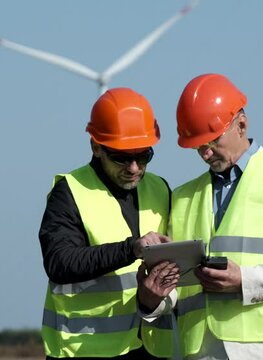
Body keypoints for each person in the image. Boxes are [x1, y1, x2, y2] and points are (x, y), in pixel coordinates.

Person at [144, 73, 263, 359]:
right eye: (197, 146)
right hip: (205, 351)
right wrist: (152, 297)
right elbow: (180, 288)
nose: (206, 153)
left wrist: (245, 280)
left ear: (242, 125)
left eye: (211, 141)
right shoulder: (183, 197)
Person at [38, 87, 179, 359]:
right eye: (122, 157)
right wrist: (131, 249)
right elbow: (59, 263)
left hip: (150, 347)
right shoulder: (69, 192)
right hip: (84, 350)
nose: (134, 168)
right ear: (95, 147)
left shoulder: (160, 188)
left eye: (143, 156)